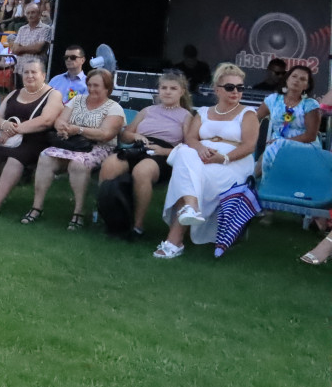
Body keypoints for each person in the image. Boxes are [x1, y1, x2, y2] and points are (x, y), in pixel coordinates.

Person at [154, 63, 259, 259]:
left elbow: (249, 146)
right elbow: (192, 138)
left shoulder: (248, 113)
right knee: (185, 151)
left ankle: (174, 240)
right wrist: (201, 148)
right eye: (230, 87)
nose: (235, 92)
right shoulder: (203, 112)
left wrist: (224, 157)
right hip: (202, 158)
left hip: (233, 164)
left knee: (186, 177)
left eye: (240, 88)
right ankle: (191, 208)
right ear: (217, 90)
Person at [24, 69, 124, 230]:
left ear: (107, 88)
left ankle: (78, 212)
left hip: (98, 147)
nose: (92, 89)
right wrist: (62, 127)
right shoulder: (77, 100)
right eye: (89, 85)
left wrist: (78, 130)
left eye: (96, 85)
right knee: (45, 156)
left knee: (78, 164)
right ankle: (36, 207)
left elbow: (106, 134)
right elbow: (60, 120)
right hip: (71, 144)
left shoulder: (114, 108)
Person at [97, 72, 193, 238]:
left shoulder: (186, 116)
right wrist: (136, 136)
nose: (167, 92)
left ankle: (137, 225)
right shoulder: (147, 110)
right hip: (139, 147)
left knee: (142, 171)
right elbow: (125, 135)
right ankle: (107, 216)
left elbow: (189, 147)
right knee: (110, 165)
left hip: (164, 153)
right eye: (164, 88)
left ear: (182, 92)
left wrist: (164, 151)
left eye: (173, 88)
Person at [0, 59, 63, 218]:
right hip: (6, 137)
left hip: (35, 139)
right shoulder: (14, 93)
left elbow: (46, 120)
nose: (29, 75)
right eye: (26, 72)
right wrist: (4, 126)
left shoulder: (53, 95)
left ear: (43, 75)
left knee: (15, 159)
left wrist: (12, 131)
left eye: (34, 72)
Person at [254, 65, 320, 177]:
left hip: (304, 145)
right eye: (294, 76)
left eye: (302, 79)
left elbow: (310, 136)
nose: (297, 80)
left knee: (273, 150)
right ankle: (258, 185)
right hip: (276, 143)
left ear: (306, 85)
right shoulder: (273, 99)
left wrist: (282, 142)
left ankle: (263, 183)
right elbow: (254, 119)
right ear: (287, 79)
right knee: (270, 150)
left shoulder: (310, 104)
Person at [10, 2, 52, 88]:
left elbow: (38, 48)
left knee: (34, 98)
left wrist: (21, 48)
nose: (30, 15)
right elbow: (14, 49)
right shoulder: (22, 29)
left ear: (39, 14)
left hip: (35, 71)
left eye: (33, 12)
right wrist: (30, 48)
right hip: (20, 70)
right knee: (19, 97)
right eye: (28, 13)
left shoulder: (46, 29)